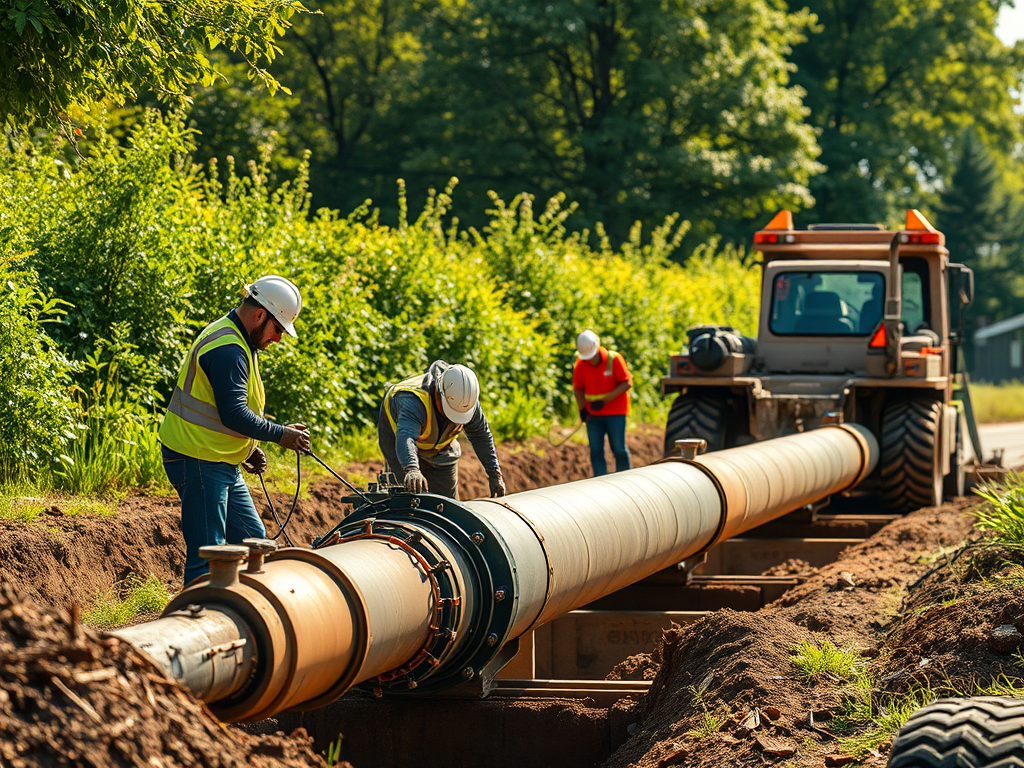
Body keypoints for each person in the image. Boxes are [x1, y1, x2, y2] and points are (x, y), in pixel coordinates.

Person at [159, 275, 313, 586]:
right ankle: (198, 623)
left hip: (217, 459)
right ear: (260, 315)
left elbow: (219, 411)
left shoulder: (240, 340)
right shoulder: (229, 348)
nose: (278, 339)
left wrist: (248, 447)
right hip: (198, 459)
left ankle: (240, 615)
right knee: (210, 558)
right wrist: (282, 434)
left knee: (254, 544)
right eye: (278, 329)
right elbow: (233, 414)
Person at [378, 360, 506, 500]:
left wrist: (495, 474)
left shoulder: (466, 401)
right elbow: (406, 437)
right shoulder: (412, 400)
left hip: (441, 447)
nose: (455, 420)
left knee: (447, 505)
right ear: (440, 393)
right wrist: (412, 469)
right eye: (452, 413)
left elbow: (481, 436)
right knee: (408, 498)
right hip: (399, 441)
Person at [573, 329, 633, 476]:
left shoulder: (614, 359)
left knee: (619, 448)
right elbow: (578, 389)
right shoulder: (581, 364)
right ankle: (600, 481)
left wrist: (604, 400)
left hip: (616, 414)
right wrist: (583, 410)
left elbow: (626, 383)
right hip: (593, 415)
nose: (590, 360)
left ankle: (625, 479)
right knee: (596, 450)